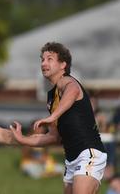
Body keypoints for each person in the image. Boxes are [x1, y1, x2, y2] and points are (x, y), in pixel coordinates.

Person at [11, 42, 107, 194]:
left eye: (49, 59)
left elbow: (73, 91)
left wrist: (53, 116)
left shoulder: (68, 81)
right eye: (42, 59)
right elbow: (54, 137)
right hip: (71, 159)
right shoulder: (51, 97)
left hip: (89, 153)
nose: (44, 63)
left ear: (63, 64)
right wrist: (23, 139)